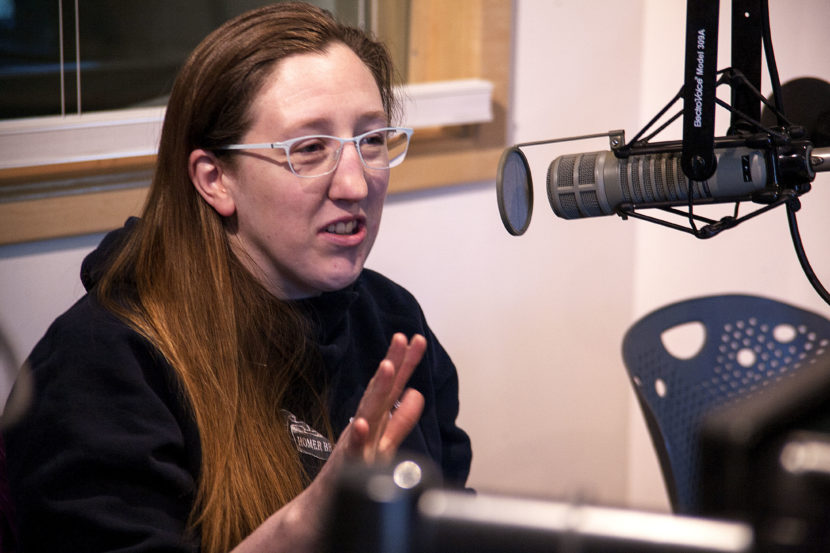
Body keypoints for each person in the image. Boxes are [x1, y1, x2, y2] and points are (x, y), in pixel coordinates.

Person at [1, 3, 471, 552]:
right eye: (310, 149)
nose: (355, 183)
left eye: (371, 140)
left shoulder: (390, 321)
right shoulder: (102, 364)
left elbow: (452, 527)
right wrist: (307, 525)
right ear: (214, 179)